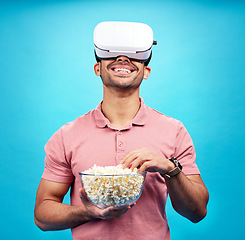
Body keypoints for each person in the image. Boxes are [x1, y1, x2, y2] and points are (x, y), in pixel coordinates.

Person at [34, 21, 209, 240]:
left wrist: (169, 168)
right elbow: (42, 215)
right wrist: (86, 212)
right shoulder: (66, 135)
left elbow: (197, 212)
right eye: (113, 54)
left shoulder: (174, 131)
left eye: (133, 56)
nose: (123, 59)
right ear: (97, 68)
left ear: (146, 71)